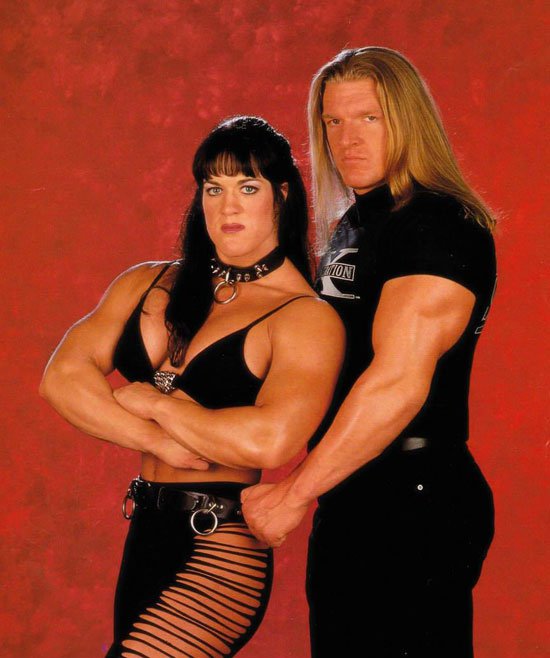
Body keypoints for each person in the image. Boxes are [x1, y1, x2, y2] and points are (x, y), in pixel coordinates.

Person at [39, 115, 344, 658]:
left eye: (247, 188)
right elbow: (61, 379)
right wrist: (154, 439)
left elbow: (270, 441)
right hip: (146, 532)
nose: (228, 207)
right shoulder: (146, 281)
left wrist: (155, 404)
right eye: (213, 188)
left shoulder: (304, 317)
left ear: (281, 196)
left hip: (220, 549)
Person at [241, 47, 497, 658]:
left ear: (408, 121)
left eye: (369, 118)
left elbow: (396, 385)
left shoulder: (437, 224)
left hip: (414, 497)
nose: (347, 139)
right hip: (353, 491)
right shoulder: (354, 225)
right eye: (333, 121)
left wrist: (293, 494)